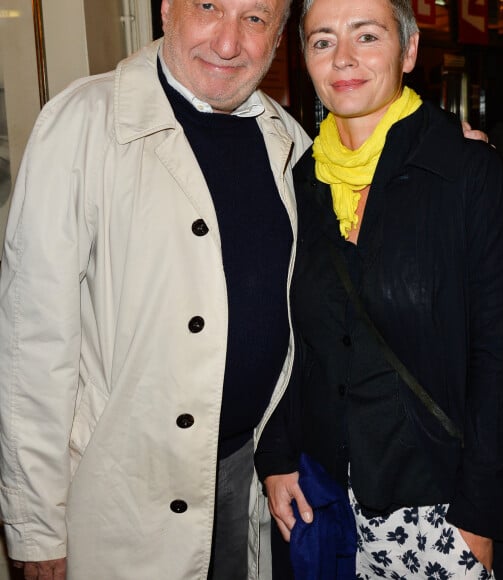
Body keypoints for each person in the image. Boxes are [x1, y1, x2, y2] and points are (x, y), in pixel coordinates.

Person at [0, 0, 312, 579]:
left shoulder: (288, 140)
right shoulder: (82, 124)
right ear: (168, 9)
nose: (227, 42)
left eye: (254, 18)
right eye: (209, 7)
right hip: (119, 498)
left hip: (245, 479)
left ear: (278, 36)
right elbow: (31, 349)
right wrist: (35, 527)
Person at [255, 0, 503, 578]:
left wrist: (479, 519)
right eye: (323, 41)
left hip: (441, 508)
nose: (345, 59)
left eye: (367, 35)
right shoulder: (299, 181)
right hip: (327, 502)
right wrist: (277, 455)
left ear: (408, 50)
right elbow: (297, 337)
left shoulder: (468, 174)